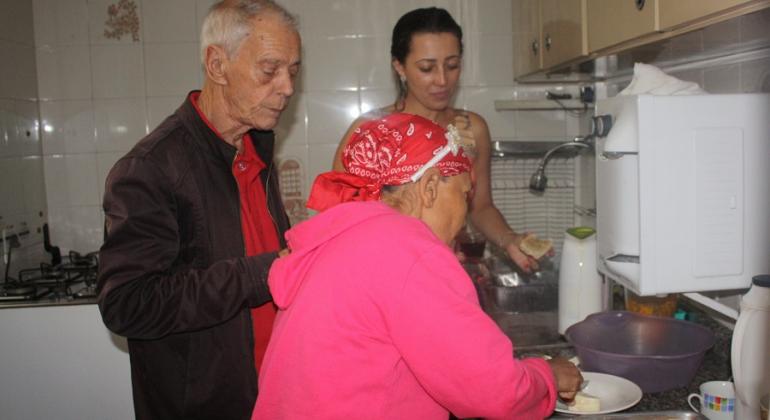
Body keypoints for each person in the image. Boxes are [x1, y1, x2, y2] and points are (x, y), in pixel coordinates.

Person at [253, 113, 582, 419]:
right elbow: (493, 390)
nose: (464, 216)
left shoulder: (343, 238)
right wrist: (547, 375)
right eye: (463, 195)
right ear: (429, 187)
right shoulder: (408, 250)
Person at [96, 1, 300, 419]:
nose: (287, 88)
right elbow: (127, 304)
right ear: (217, 64)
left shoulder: (256, 148)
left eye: (293, 71)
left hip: (272, 398)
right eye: (269, 69)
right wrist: (261, 273)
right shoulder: (150, 168)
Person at [334, 7, 549, 273]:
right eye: (427, 68)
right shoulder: (370, 133)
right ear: (399, 66)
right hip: (386, 277)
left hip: (449, 271)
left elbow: (480, 207)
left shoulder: (473, 128)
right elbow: (340, 223)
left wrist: (509, 239)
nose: (442, 80)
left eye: (452, 65)